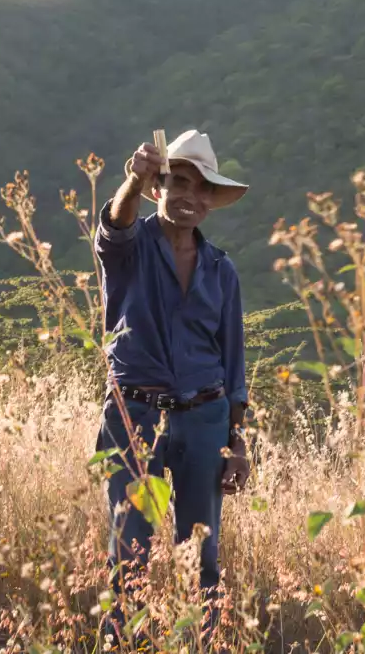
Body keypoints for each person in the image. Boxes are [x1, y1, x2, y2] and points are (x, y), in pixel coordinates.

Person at [96, 129, 252, 634]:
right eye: (178, 182)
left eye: (200, 188)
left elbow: (233, 363)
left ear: (209, 201)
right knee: (129, 552)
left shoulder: (220, 269)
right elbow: (114, 226)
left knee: (202, 556)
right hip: (134, 416)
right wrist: (132, 180)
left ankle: (201, 643)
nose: (189, 196)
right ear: (158, 189)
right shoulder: (130, 248)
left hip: (205, 419)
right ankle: (123, 643)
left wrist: (237, 442)